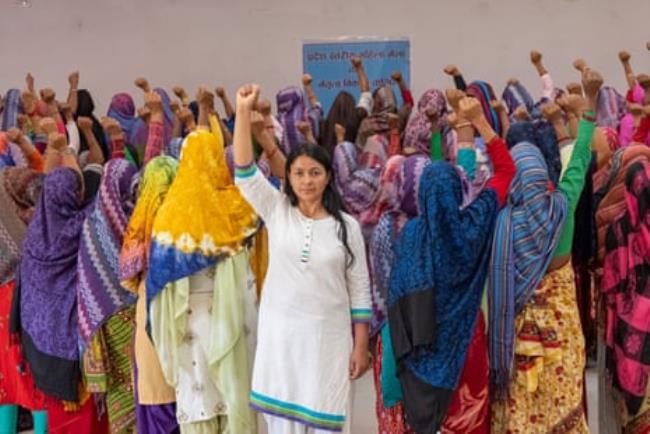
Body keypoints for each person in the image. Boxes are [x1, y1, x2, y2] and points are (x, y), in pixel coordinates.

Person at [234, 83, 371, 434]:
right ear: (289, 178)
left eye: (315, 173)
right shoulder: (278, 212)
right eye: (298, 173)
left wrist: (360, 347)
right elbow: (245, 171)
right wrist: (242, 111)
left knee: (328, 421)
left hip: (328, 345)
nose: (307, 181)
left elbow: (359, 292)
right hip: (282, 342)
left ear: (327, 177)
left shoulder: (347, 227)